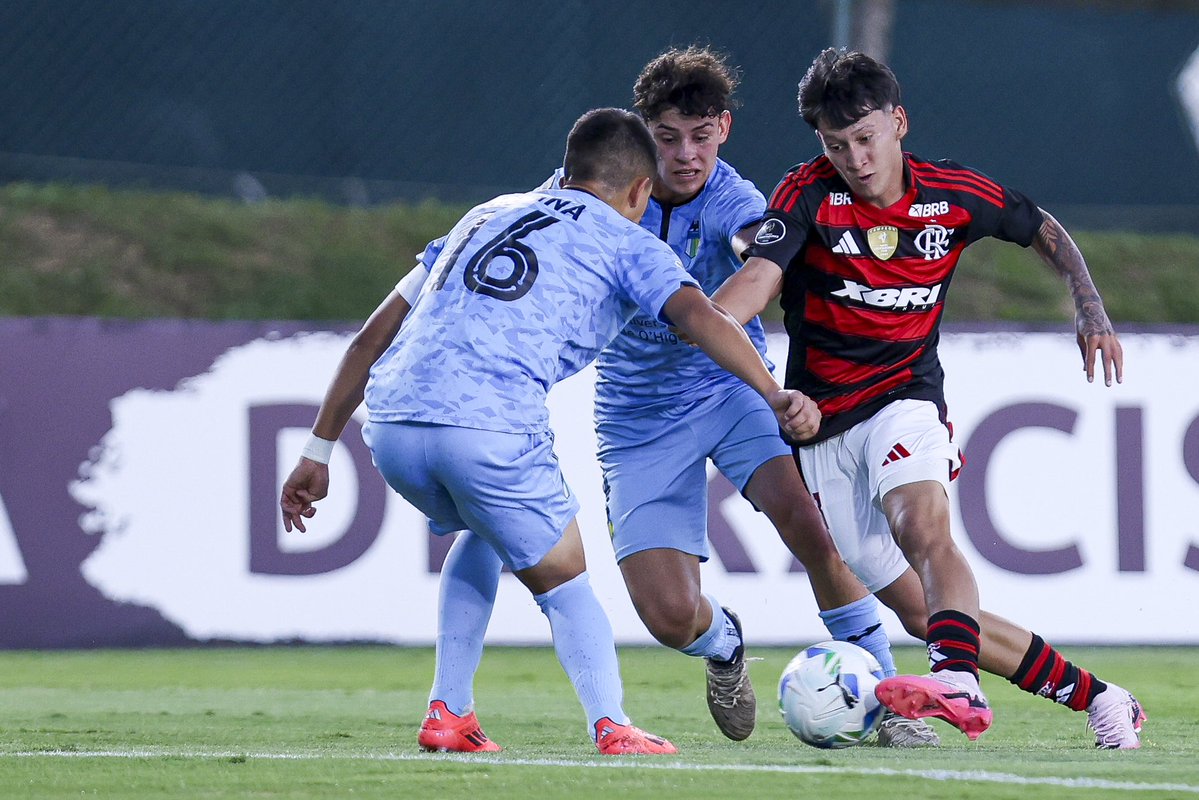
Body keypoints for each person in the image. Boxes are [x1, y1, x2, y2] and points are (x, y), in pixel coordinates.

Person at [408, 46, 939, 750]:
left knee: (813, 529)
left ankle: (887, 699)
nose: (685, 155)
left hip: (734, 390)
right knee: (667, 616)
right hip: (637, 416)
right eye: (667, 138)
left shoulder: (737, 203)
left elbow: (762, 249)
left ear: (722, 129)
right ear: (642, 135)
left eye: (700, 135)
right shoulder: (586, 194)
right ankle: (724, 647)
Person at [279, 107, 822, 756]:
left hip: (391, 424)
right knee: (564, 577)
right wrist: (772, 390)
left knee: (483, 531)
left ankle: (449, 712)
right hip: (485, 426)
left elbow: (374, 333)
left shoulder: (487, 212)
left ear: (567, 172)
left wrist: (317, 449)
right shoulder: (628, 241)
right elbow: (702, 319)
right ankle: (612, 724)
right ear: (640, 190)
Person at [713, 48, 1146, 749]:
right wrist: (715, 318)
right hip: (822, 427)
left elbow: (1041, 228)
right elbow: (757, 280)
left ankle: (953, 679)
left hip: (905, 398)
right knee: (923, 613)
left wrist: (1088, 306)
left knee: (922, 526)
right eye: (835, 144)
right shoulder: (805, 194)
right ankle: (1103, 698)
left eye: (865, 138)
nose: (854, 158)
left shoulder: (951, 194)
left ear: (898, 122)